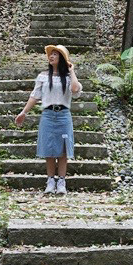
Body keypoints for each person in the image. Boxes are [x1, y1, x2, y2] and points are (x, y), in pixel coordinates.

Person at [14, 44, 82, 195]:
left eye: (55, 55)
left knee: (63, 150)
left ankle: (62, 181)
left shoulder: (68, 77)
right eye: (50, 55)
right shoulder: (43, 76)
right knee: (49, 149)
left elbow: (76, 90)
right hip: (48, 115)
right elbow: (35, 96)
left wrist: (71, 71)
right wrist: (24, 112)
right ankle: (50, 181)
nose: (51, 57)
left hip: (64, 115)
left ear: (62, 59)